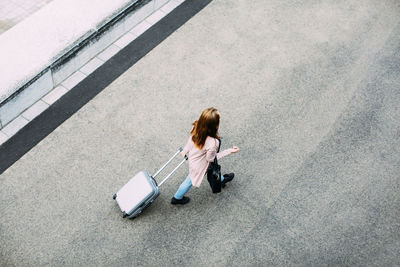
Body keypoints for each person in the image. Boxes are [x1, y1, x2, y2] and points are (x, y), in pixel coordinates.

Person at [171, 107, 240, 205]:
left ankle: (222, 180)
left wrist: (185, 150)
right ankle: (177, 198)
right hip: (200, 165)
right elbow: (211, 159)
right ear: (214, 125)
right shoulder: (213, 143)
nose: (220, 120)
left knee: (196, 177)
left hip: (194, 159)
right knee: (189, 181)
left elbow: (191, 141)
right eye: (218, 119)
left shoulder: (196, 126)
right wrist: (230, 151)